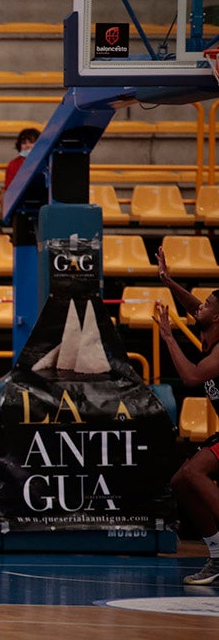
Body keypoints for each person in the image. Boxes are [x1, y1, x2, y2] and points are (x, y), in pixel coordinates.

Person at [153, 247, 219, 585]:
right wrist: (168, 281)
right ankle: (218, 555)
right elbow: (194, 307)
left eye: (208, 304)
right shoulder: (212, 327)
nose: (199, 306)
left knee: (194, 472)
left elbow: (193, 378)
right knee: (181, 481)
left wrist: (168, 337)